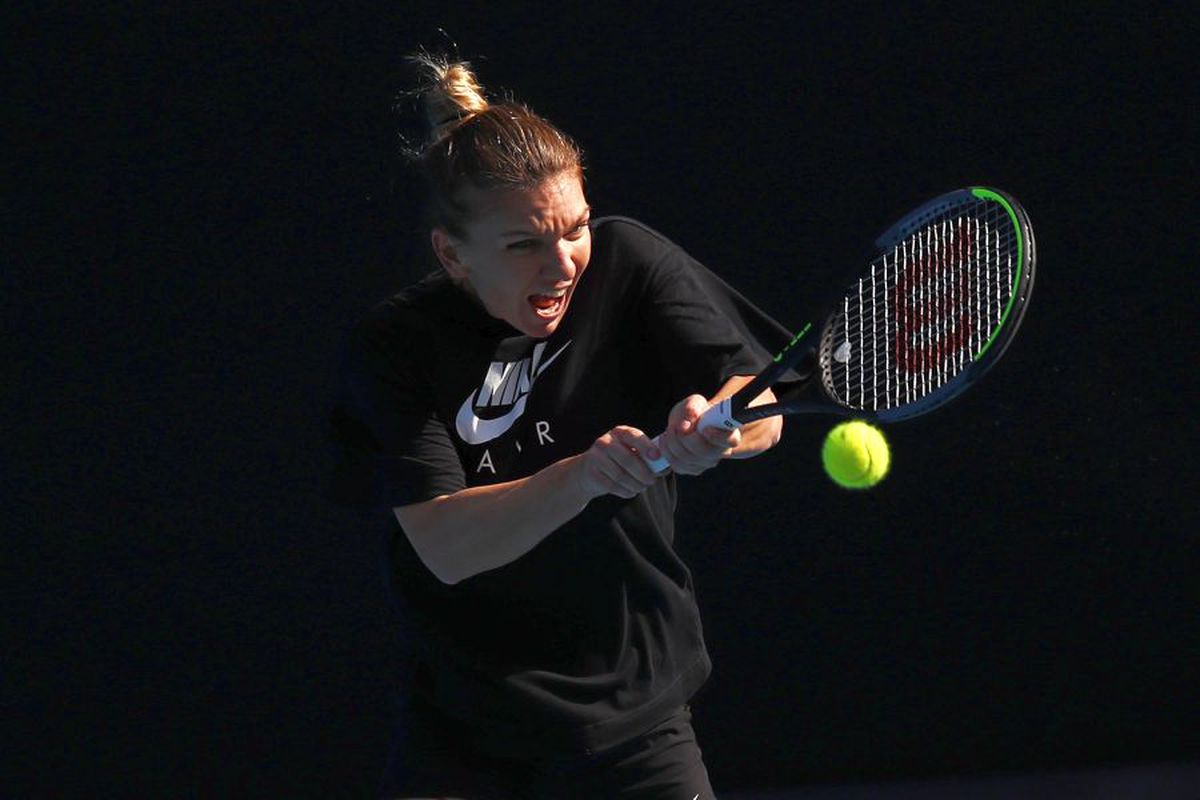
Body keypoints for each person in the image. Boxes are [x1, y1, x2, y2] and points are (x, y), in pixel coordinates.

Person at [332, 54, 785, 799]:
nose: (563, 263)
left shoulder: (630, 262)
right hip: (465, 734)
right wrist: (580, 474)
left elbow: (759, 399)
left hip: (636, 720)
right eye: (524, 245)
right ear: (452, 255)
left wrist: (722, 428)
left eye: (574, 229)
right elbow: (446, 545)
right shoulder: (395, 347)